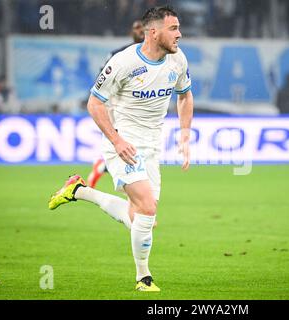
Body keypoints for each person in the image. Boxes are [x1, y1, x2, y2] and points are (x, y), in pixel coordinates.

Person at [48, 5, 193, 292]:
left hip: (152, 145)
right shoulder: (122, 62)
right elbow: (94, 103)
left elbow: (185, 96)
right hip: (123, 143)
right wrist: (116, 140)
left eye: (179, 28)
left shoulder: (178, 61)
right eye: (173, 28)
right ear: (154, 32)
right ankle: (144, 277)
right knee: (147, 208)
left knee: (143, 221)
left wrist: (185, 136)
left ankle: (78, 190)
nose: (180, 34)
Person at [87, 19, 145, 188]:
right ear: (131, 32)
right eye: (136, 27)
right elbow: (101, 82)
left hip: (141, 109)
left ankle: (103, 167)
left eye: (143, 27)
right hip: (119, 108)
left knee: (137, 150)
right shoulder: (118, 55)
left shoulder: (158, 56)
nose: (140, 30)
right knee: (128, 147)